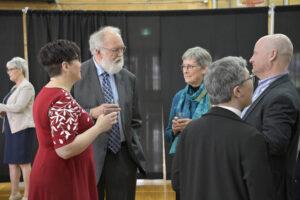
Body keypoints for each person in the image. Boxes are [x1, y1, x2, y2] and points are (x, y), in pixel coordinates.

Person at [172, 56, 275, 200]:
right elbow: (260, 192)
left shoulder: (189, 131)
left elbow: (177, 183)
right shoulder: (250, 137)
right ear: (237, 91)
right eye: (250, 78)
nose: (254, 82)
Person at [28, 40, 118, 200]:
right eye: (77, 59)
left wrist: (91, 114)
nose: (81, 63)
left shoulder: (49, 92)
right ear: (65, 66)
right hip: (61, 178)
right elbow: (65, 149)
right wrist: (99, 127)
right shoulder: (61, 98)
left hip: (57, 173)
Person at [73, 26, 146, 200]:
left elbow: (135, 120)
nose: (120, 54)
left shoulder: (129, 78)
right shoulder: (76, 76)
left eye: (122, 49)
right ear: (97, 52)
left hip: (122, 157)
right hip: (88, 156)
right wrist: (91, 113)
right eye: (115, 50)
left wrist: (132, 144)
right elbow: (63, 116)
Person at [241, 34, 300, 200]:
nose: (251, 59)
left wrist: (234, 138)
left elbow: (274, 145)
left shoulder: (281, 96)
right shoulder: (266, 89)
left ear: (272, 55)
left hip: (267, 190)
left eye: (255, 53)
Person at [165, 46, 212, 154]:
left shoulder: (215, 94)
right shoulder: (179, 96)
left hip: (208, 154)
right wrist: (174, 130)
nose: (185, 71)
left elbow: (220, 130)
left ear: (204, 68)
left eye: (190, 66)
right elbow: (168, 136)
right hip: (183, 155)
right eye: (183, 66)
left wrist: (193, 126)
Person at [0, 57, 35, 200]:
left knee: (23, 163)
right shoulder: (15, 87)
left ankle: (28, 194)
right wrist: (3, 112)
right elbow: (11, 109)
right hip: (11, 128)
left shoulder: (26, 86)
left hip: (23, 129)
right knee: (12, 163)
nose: (8, 73)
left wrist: (1, 107)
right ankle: (14, 194)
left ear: (20, 70)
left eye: (11, 69)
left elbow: (19, 107)